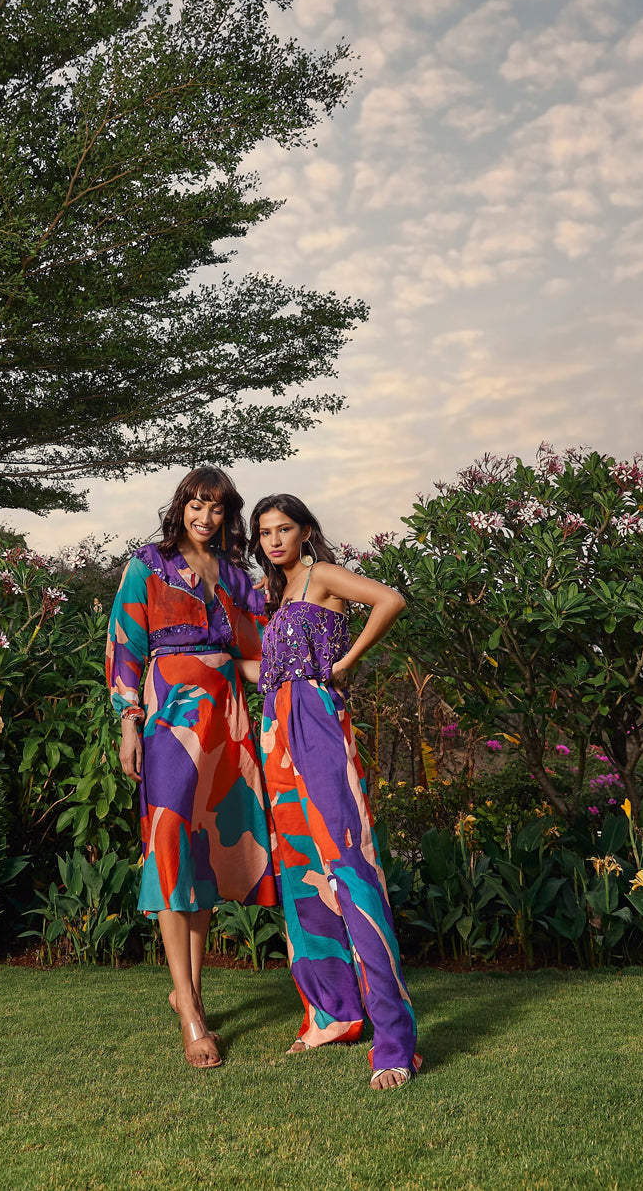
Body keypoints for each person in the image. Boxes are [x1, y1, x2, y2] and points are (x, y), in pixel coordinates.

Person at [242, 493, 421, 1091]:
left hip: (314, 718)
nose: (274, 540)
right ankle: (334, 1014)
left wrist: (345, 661)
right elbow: (268, 668)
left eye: (283, 528)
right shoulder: (275, 594)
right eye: (264, 531)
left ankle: (395, 1042)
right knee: (299, 866)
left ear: (305, 531)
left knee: (347, 861)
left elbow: (390, 600)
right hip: (275, 725)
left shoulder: (321, 575)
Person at [107, 467, 276, 1070]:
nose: (205, 518)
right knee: (171, 843)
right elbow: (126, 645)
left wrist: (310, 676)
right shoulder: (147, 564)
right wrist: (128, 722)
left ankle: (190, 993)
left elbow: (258, 654)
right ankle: (193, 1015)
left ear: (229, 515)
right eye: (196, 506)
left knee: (202, 853)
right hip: (169, 719)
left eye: (217, 509)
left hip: (226, 726)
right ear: (180, 507)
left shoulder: (237, 576)